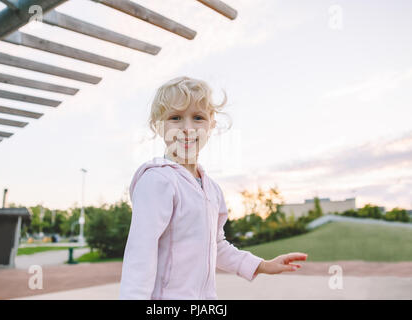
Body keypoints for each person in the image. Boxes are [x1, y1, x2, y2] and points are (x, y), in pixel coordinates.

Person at [119, 76, 307, 300]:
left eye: (198, 117)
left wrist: (263, 265)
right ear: (159, 126)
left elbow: (216, 246)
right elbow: (140, 254)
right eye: (175, 118)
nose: (187, 128)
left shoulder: (212, 189)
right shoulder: (158, 180)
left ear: (211, 125)